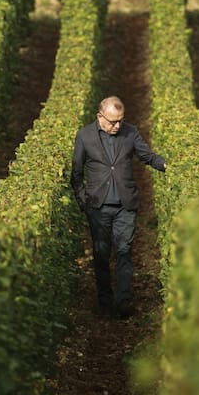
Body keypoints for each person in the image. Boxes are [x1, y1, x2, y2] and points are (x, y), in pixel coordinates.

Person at [70, 96, 167, 319]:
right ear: (100, 117)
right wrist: (84, 202)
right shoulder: (84, 136)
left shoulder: (130, 132)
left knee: (124, 251)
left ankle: (124, 302)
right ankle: (104, 303)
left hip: (125, 205)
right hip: (98, 206)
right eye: (113, 122)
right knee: (102, 254)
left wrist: (167, 165)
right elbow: (76, 174)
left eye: (120, 121)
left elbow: (147, 156)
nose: (117, 126)